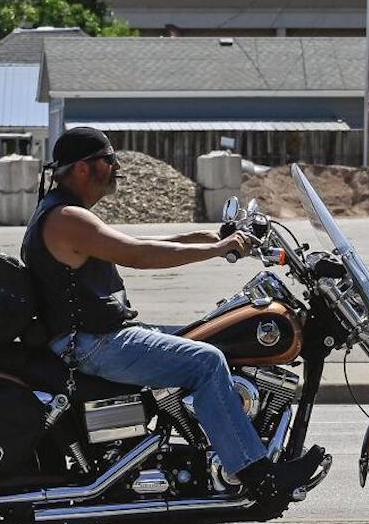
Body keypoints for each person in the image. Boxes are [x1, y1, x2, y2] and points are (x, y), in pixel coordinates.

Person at [21, 126, 326, 504]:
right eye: (109, 159)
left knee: (201, 335)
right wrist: (218, 251)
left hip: (95, 336)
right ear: (83, 169)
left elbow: (143, 244)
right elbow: (138, 255)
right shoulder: (68, 219)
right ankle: (258, 475)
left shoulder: (67, 213)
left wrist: (212, 240)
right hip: (92, 343)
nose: (117, 167)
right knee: (207, 361)